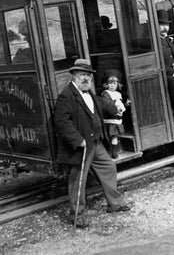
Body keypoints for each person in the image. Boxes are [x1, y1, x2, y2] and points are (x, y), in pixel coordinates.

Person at [53, 59, 132, 228]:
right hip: (82, 145)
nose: (86, 78)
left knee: (108, 167)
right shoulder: (66, 96)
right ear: (74, 76)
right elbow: (61, 122)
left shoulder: (89, 93)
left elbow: (101, 104)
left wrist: (116, 107)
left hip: (95, 143)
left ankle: (115, 204)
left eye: (88, 75)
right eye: (82, 75)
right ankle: (76, 215)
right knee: (78, 180)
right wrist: (77, 140)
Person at [100, 69, 129, 159]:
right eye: (110, 83)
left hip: (117, 119)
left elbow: (120, 104)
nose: (112, 85)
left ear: (118, 85)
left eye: (114, 84)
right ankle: (112, 152)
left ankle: (114, 152)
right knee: (111, 136)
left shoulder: (118, 94)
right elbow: (107, 105)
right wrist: (115, 103)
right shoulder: (106, 94)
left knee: (114, 136)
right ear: (106, 84)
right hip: (110, 119)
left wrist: (125, 104)